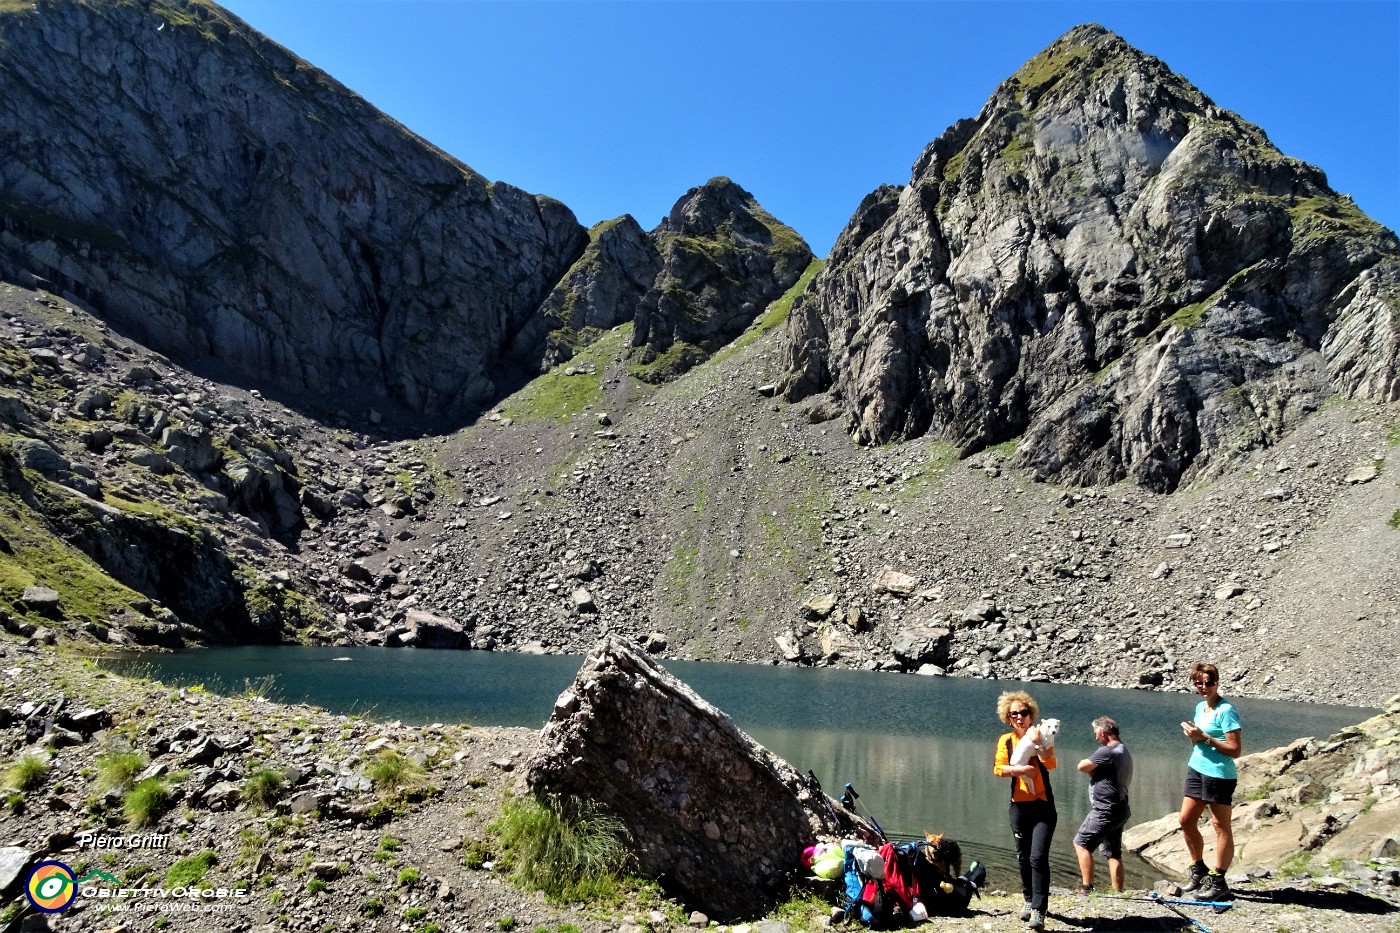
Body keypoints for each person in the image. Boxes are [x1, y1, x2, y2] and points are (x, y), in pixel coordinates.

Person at [1177, 662, 1242, 901]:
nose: (1204, 687)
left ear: (1217, 682)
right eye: (1199, 683)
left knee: (1220, 825)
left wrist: (1203, 736)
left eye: (1209, 682)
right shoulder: (1200, 707)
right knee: (1185, 820)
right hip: (1197, 768)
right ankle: (1199, 869)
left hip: (1219, 774)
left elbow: (1235, 750)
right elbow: (1200, 742)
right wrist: (1194, 737)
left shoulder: (1226, 710)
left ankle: (1219, 881)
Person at [994, 690, 1057, 931]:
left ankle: (1039, 911)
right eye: (1014, 715)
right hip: (1018, 807)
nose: (1019, 717)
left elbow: (1051, 764)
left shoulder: (1042, 735)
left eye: (1023, 713)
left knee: (1038, 857)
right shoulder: (1006, 741)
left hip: (1043, 806)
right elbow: (998, 769)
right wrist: (1021, 771)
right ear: (1008, 718)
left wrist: (1038, 743)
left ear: (1031, 715)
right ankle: (1029, 900)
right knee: (1023, 856)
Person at [1073, 716, 1133, 893]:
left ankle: (1087, 887)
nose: (1095, 737)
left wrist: (1091, 768)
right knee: (1113, 852)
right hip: (1120, 808)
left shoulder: (1107, 751)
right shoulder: (1123, 749)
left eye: (1095, 733)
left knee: (1081, 843)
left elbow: (1082, 766)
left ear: (1102, 732)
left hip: (1105, 809)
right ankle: (1118, 891)